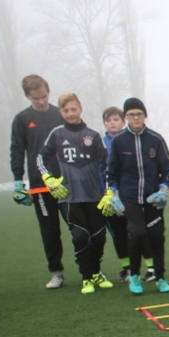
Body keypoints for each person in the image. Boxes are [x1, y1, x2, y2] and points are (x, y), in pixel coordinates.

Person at [37, 94, 112, 294]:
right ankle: (86, 277)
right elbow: (40, 159)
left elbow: (107, 165)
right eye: (66, 110)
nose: (70, 114)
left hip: (94, 196)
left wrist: (108, 191)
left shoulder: (93, 135)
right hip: (69, 197)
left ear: (80, 109)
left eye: (73, 109)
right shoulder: (57, 134)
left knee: (98, 237)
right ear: (61, 112)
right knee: (80, 236)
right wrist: (48, 179)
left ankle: (96, 273)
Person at [104, 97, 169, 295]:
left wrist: (163, 189)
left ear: (145, 116)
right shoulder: (119, 141)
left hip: (152, 197)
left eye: (139, 114)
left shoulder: (155, 139)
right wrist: (114, 194)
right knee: (137, 233)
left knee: (156, 236)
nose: (135, 118)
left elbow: (168, 168)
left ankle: (160, 278)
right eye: (131, 114)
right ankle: (134, 276)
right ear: (126, 117)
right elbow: (112, 172)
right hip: (129, 198)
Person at [10, 74, 66, 288]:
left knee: (78, 227)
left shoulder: (60, 115)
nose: (41, 101)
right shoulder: (22, 120)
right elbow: (16, 150)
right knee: (50, 230)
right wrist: (18, 181)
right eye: (36, 98)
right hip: (39, 185)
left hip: (66, 183)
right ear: (27, 97)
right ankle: (57, 272)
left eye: (44, 96)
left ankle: (89, 270)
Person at [101, 106, 133, 281]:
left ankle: (143, 268)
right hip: (108, 196)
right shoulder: (99, 143)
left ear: (123, 121)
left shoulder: (130, 140)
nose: (112, 123)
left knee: (135, 232)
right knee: (117, 233)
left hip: (129, 194)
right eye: (108, 120)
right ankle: (126, 268)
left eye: (115, 119)